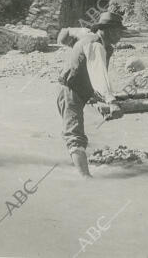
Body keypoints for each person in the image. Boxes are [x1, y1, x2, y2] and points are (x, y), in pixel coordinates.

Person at [57, 11, 125, 178]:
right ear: (106, 30)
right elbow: (98, 75)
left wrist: (101, 98)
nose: (121, 35)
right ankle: (86, 179)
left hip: (81, 89)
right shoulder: (95, 45)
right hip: (70, 91)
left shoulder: (94, 39)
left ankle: (77, 162)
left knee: (75, 132)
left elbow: (67, 32)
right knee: (74, 135)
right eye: (118, 31)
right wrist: (110, 100)